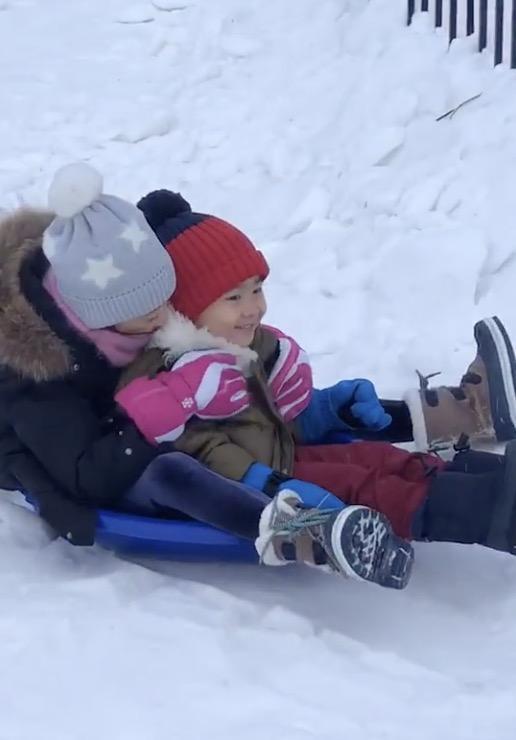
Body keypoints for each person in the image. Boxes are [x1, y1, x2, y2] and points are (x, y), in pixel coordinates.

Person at [0, 162, 415, 591]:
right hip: (87, 460)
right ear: (97, 317)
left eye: (165, 298)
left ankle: (435, 418)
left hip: (133, 418)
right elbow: (89, 476)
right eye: (148, 313)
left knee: (261, 415)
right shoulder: (37, 381)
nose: (165, 315)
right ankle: (301, 532)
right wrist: (173, 400)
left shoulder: (108, 289)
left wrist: (265, 365)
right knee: (170, 470)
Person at [115, 189, 516, 579]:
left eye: (257, 289)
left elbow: (270, 419)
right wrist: (265, 480)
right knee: (366, 487)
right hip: (255, 489)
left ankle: (488, 477)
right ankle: (487, 513)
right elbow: (198, 451)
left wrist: (327, 408)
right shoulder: (173, 374)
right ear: (187, 305)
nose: (254, 307)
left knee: (382, 460)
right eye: (234, 298)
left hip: (284, 456)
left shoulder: (241, 344)